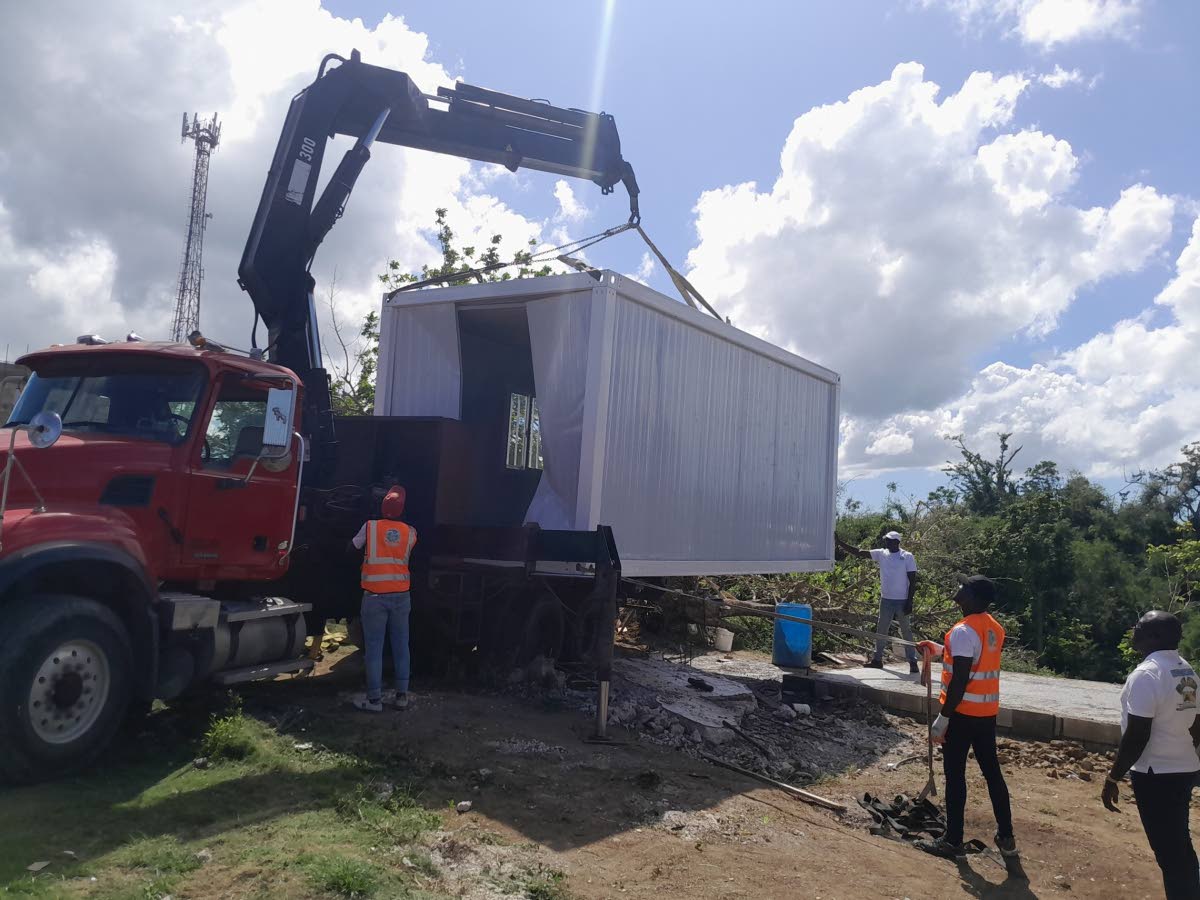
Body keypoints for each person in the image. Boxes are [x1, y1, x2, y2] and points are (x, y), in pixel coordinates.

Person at [914, 574, 1017, 861]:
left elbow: (960, 679)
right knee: (992, 773)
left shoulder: (962, 630)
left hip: (961, 715)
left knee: (955, 776)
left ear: (971, 596)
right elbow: (973, 658)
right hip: (986, 714)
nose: (957, 589)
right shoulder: (993, 628)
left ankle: (953, 841)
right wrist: (939, 649)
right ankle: (1006, 837)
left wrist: (943, 719)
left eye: (962, 587)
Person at [1102, 610, 1200, 900]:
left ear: (1154, 636)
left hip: (1157, 774)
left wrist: (1113, 776)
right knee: (1180, 846)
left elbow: (1137, 735)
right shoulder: (1186, 670)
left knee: (1170, 854)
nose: (1134, 630)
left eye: (1139, 627)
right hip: (1184, 768)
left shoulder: (1146, 675)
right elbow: (1196, 723)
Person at [350, 484, 417, 713]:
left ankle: (374, 700)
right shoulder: (411, 532)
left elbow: (352, 547)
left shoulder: (369, 527)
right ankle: (401, 696)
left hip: (375, 597)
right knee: (401, 646)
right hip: (401, 597)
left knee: (375, 648)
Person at [836, 530, 919, 673]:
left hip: (902, 600)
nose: (886, 542)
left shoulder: (907, 557)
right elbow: (860, 552)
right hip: (886, 599)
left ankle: (912, 662)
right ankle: (877, 659)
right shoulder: (882, 553)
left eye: (889, 540)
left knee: (906, 631)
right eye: (886, 540)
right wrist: (840, 543)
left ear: (897, 542)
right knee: (882, 629)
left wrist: (910, 601)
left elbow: (913, 581)